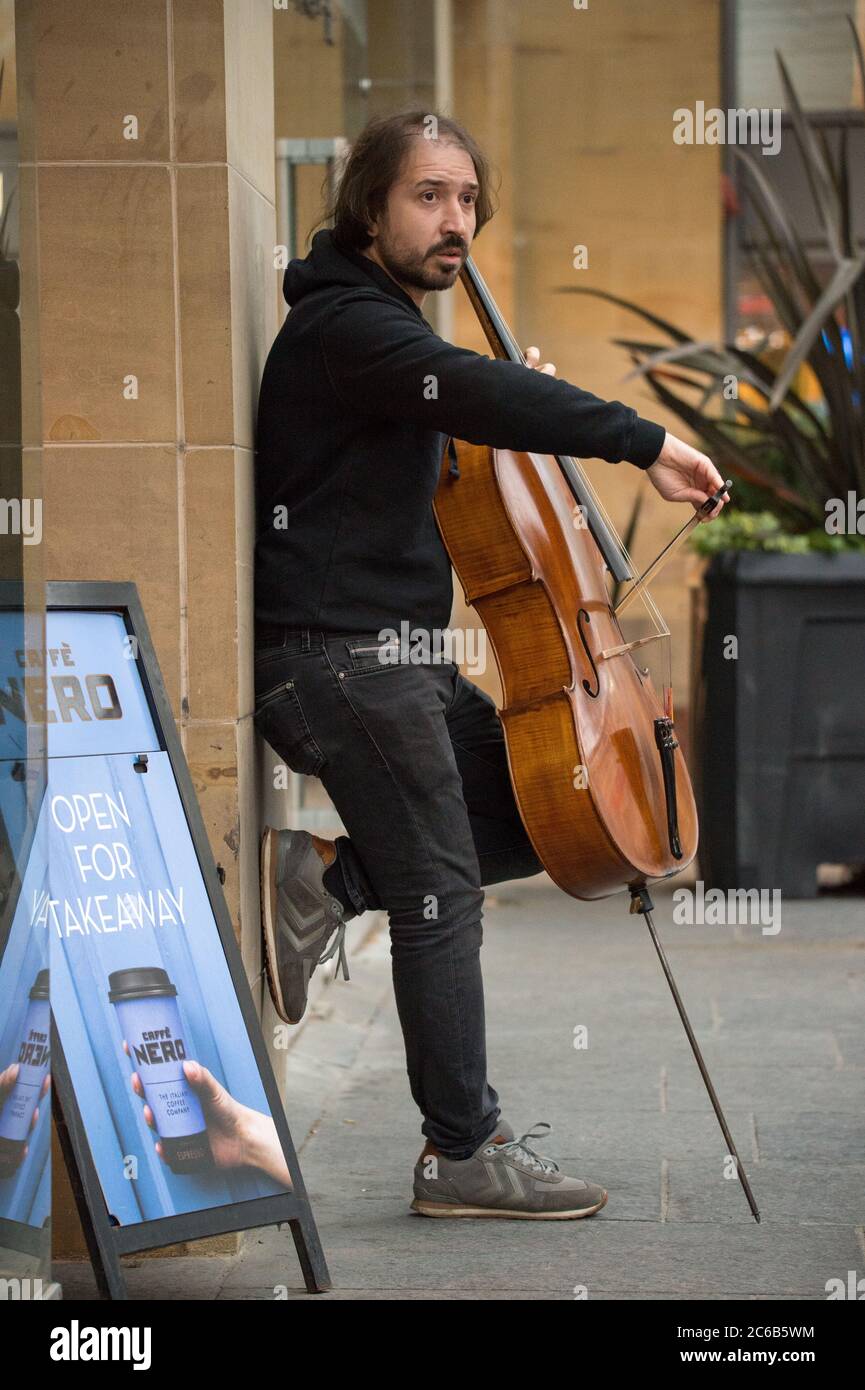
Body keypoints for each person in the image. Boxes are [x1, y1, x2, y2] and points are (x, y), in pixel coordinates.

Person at [252, 109, 727, 1220]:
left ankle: (329, 883)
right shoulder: (346, 327)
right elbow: (472, 389)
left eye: (466, 199)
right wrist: (645, 441)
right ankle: (461, 1153)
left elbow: (460, 404)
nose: (454, 219)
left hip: (398, 658)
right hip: (333, 659)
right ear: (368, 208)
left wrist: (506, 414)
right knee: (441, 893)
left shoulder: (387, 336)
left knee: (550, 814)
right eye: (428, 196)